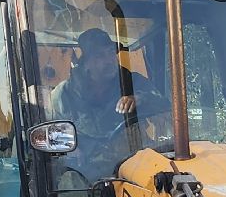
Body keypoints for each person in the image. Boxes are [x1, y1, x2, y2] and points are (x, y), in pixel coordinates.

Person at [49, 29, 162, 177]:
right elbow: (53, 134)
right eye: (100, 56)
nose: (109, 60)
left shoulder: (133, 82)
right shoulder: (63, 95)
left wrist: (140, 99)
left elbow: (164, 106)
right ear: (86, 63)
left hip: (134, 164)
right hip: (86, 171)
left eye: (110, 53)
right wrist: (71, 150)